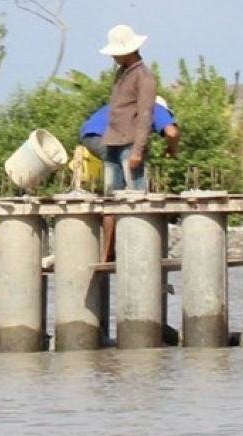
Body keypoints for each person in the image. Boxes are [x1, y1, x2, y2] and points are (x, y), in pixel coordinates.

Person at [97, 24, 160, 262]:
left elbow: (145, 116)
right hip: (113, 141)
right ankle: (108, 252)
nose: (113, 56)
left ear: (128, 50)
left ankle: (139, 252)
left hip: (130, 145)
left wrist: (138, 150)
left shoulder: (144, 77)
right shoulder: (122, 73)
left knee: (135, 198)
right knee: (111, 199)